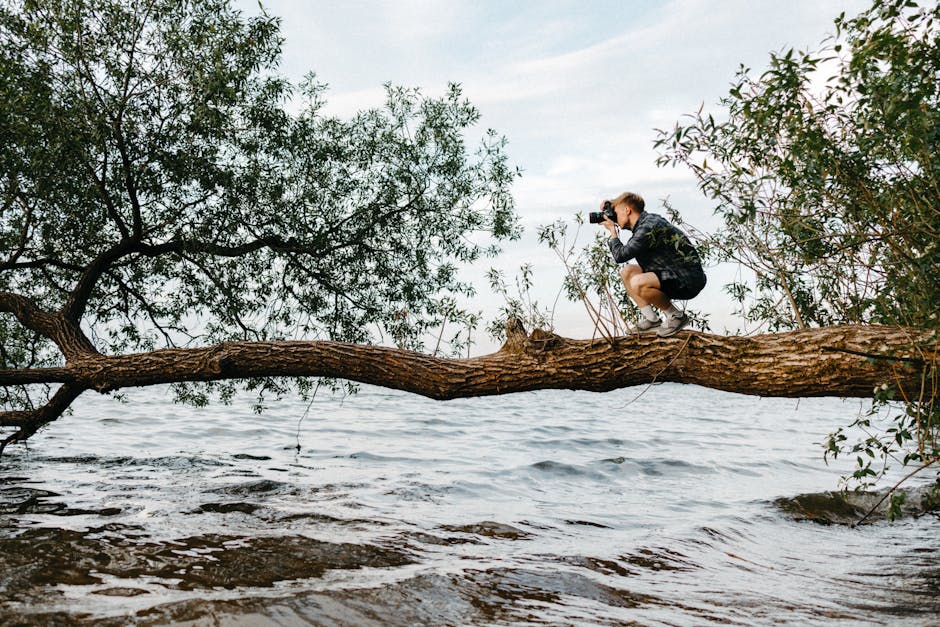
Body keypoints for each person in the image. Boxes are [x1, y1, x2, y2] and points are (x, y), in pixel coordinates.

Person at [599, 191, 706, 337]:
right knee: (627, 272)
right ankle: (651, 319)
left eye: (615, 213)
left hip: (687, 279)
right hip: (669, 273)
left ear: (627, 210)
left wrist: (613, 232)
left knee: (638, 282)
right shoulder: (644, 224)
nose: (614, 218)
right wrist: (609, 205)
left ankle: (676, 316)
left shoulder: (649, 226)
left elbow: (620, 255)